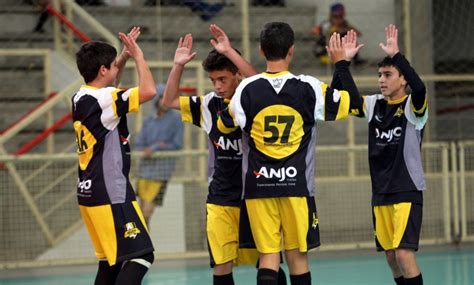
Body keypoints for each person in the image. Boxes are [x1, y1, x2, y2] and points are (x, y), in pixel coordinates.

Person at [217, 22, 363, 285]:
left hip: (258, 186)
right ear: (292, 50)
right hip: (296, 186)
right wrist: (341, 63)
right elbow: (350, 103)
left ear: (261, 51)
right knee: (297, 258)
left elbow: (224, 123)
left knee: (268, 257)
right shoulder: (308, 88)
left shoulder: (246, 90)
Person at [161, 24, 287, 285]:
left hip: (255, 195)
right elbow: (169, 101)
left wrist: (229, 50)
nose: (217, 86)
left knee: (268, 263)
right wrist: (178, 66)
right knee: (221, 265)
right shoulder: (209, 105)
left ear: (237, 76)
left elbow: (258, 81)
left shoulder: (255, 99)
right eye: (213, 80)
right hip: (220, 198)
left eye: (223, 79)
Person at [340, 24, 427, 285]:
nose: (381, 79)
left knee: (403, 254)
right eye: (380, 74)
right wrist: (343, 63)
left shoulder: (413, 107)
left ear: (403, 80)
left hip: (406, 191)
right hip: (381, 193)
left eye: (388, 74)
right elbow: (349, 98)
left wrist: (398, 55)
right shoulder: (374, 104)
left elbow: (420, 88)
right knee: (391, 256)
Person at [72, 27, 156, 285]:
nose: (114, 69)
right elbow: (149, 91)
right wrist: (139, 56)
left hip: (88, 192)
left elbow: (110, 85)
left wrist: (122, 57)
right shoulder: (105, 98)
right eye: (111, 66)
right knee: (143, 256)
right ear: (102, 70)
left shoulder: (80, 96)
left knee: (111, 262)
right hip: (111, 193)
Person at [135, 84, 184, 226]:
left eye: (168, 97)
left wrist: (155, 148)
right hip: (144, 171)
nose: (165, 101)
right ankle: (143, 246)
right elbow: (140, 142)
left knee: (146, 212)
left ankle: (143, 246)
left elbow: (177, 144)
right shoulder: (148, 120)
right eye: (162, 97)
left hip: (161, 172)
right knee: (140, 214)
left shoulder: (176, 119)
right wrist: (145, 150)